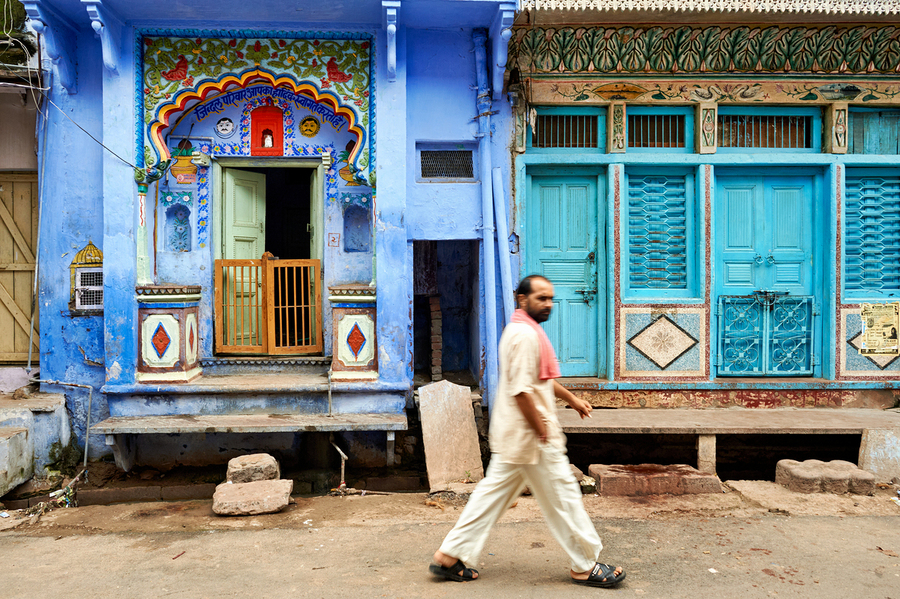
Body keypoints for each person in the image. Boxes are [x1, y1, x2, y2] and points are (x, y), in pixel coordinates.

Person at [429, 275, 625, 588]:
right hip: (531, 436)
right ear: (522, 299)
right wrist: (542, 432)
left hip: (517, 437)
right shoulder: (524, 336)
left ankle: (448, 556)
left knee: (491, 496)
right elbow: (522, 392)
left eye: (550, 298)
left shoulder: (524, 330)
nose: (548, 304)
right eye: (540, 298)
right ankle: (585, 565)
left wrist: (572, 399)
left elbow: (539, 380)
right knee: (563, 497)